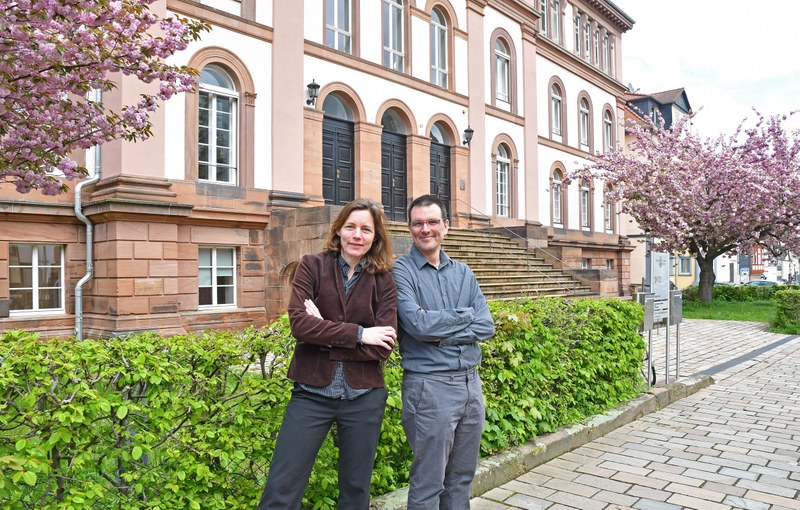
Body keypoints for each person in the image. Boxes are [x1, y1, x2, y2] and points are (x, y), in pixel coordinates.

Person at [257, 198, 398, 510]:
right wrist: (360, 333)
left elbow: (384, 345)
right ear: (338, 231)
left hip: (364, 395)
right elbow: (300, 326)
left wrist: (324, 327)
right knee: (282, 487)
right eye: (350, 227)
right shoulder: (312, 266)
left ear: (375, 237)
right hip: (311, 392)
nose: (357, 235)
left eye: (366, 229)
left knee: (355, 491)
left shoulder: (384, 280)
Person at [391, 194, 495, 509]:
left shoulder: (463, 272)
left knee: (462, 477)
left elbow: (486, 325)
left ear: (446, 226)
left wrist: (441, 333)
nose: (426, 229)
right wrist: (463, 316)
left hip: (470, 386)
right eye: (418, 223)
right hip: (430, 387)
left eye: (433, 222)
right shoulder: (401, 271)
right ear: (410, 228)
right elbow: (419, 326)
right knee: (429, 482)